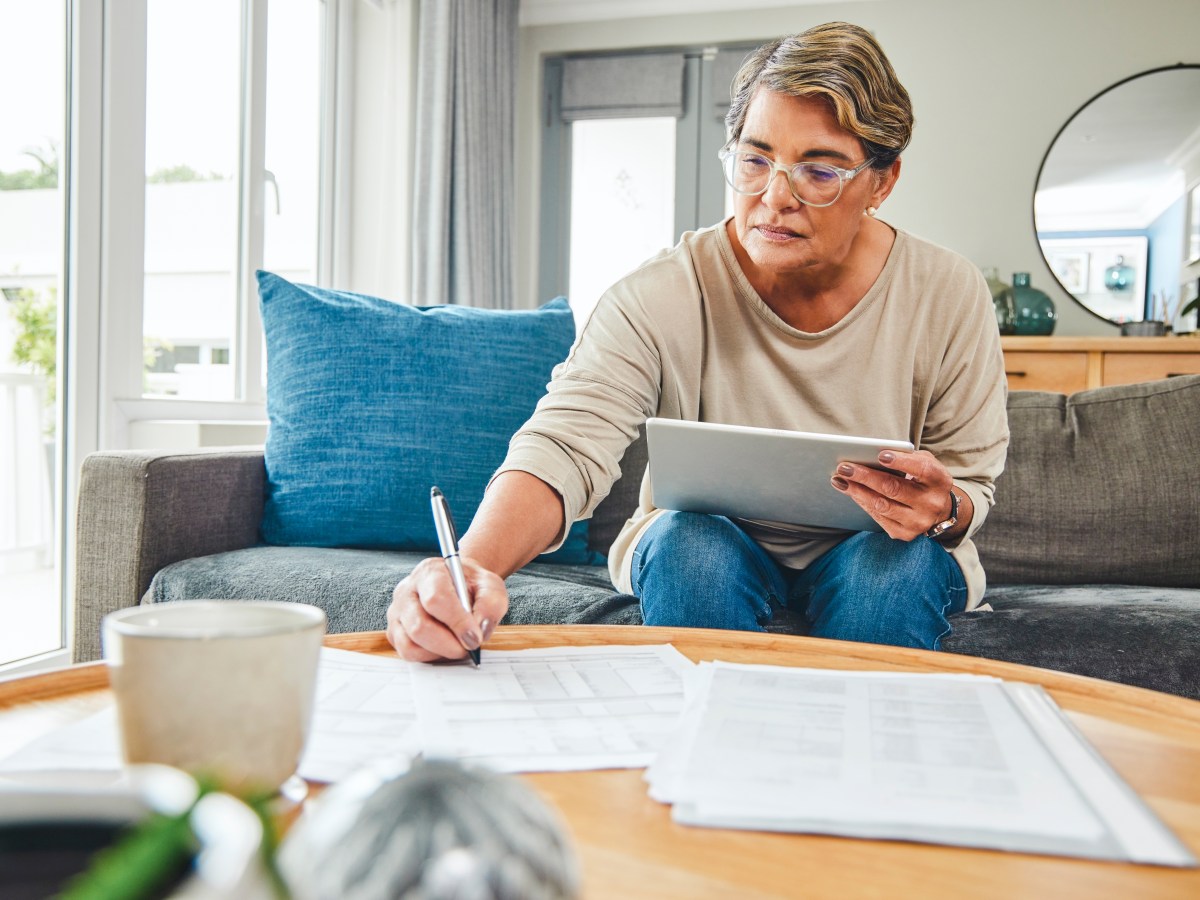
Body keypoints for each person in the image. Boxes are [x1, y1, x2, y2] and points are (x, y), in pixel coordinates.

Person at [387, 21, 1009, 663]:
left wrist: (943, 509)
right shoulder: (661, 292)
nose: (774, 199)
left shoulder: (947, 292)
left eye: (818, 171)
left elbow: (969, 487)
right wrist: (472, 570)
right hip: (705, 543)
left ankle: (864, 753)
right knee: (690, 546)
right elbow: (566, 444)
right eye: (755, 160)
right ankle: (707, 752)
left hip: (879, 548)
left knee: (893, 567)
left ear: (881, 181)